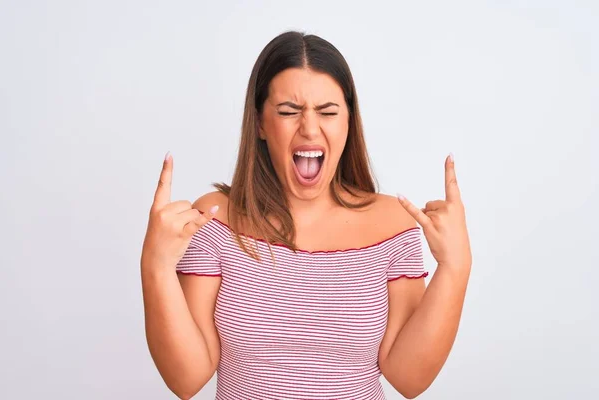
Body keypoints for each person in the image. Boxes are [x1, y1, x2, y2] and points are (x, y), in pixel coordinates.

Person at [141, 31, 472, 400]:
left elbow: (409, 379)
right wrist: (155, 266)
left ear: (349, 121)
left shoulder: (393, 225)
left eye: (328, 112)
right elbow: (185, 380)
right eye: (288, 111)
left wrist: (455, 266)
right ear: (261, 123)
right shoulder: (215, 220)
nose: (310, 128)